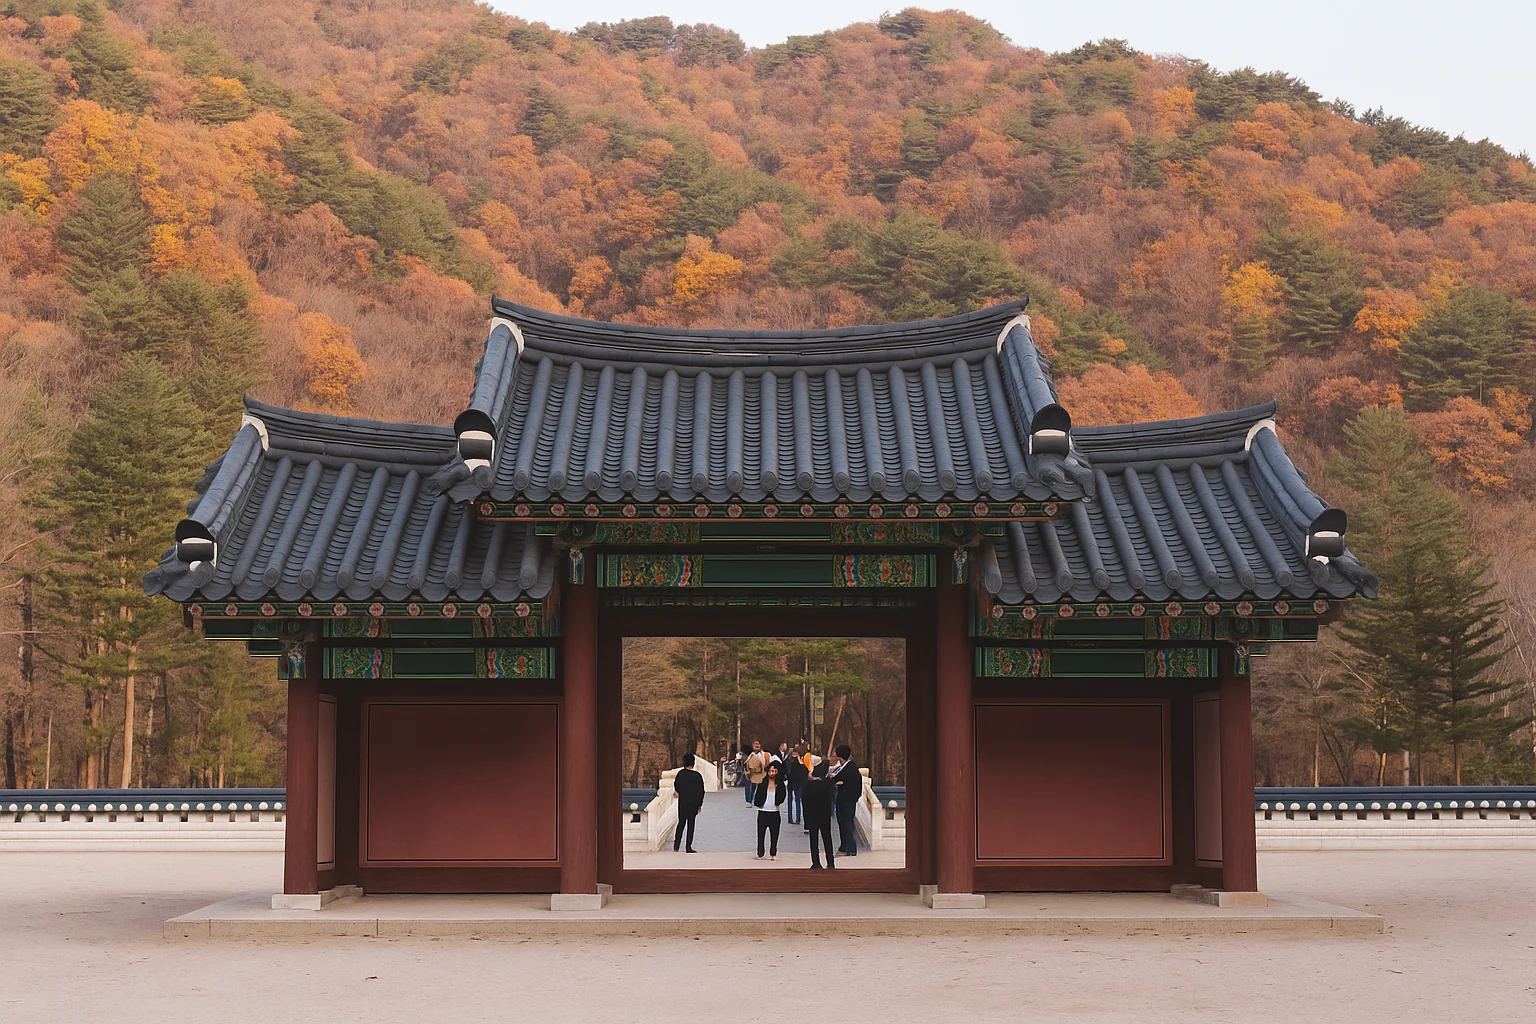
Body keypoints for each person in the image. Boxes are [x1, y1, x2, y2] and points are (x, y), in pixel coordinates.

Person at [830, 743, 862, 857]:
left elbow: (852, 784)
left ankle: (851, 848)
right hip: (841, 800)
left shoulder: (851, 768)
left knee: (847, 823)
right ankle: (844, 846)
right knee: (842, 824)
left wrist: (841, 784)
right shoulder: (841, 768)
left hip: (847, 800)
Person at [801, 761, 835, 869]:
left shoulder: (807, 785)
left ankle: (816, 862)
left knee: (813, 839)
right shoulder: (827, 784)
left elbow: (804, 801)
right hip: (824, 815)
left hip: (811, 815)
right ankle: (830, 862)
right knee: (827, 838)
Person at [752, 761, 787, 860]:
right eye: (770, 771)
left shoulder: (780, 784)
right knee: (761, 833)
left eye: (774, 771)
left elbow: (783, 796)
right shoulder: (763, 783)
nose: (772, 773)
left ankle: (773, 852)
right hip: (763, 811)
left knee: (774, 834)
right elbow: (758, 795)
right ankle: (760, 851)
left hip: (774, 812)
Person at [672, 753, 705, 853]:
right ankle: (688, 847)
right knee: (691, 825)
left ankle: (676, 846)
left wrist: (679, 792)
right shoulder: (697, 776)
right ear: (693, 763)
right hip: (693, 804)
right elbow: (701, 791)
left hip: (682, 803)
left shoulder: (680, 774)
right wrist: (699, 804)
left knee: (681, 823)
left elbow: (676, 785)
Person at [785, 742, 808, 826]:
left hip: (793, 782)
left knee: (792, 800)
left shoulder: (789, 761)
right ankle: (795, 818)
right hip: (796, 783)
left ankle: (792, 818)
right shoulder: (798, 763)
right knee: (796, 800)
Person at [744, 740, 768, 804]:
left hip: (759, 773)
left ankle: (757, 800)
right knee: (750, 787)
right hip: (750, 773)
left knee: (758, 787)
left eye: (758, 744)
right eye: (755, 744)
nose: (757, 745)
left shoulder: (763, 755)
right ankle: (749, 800)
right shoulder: (749, 755)